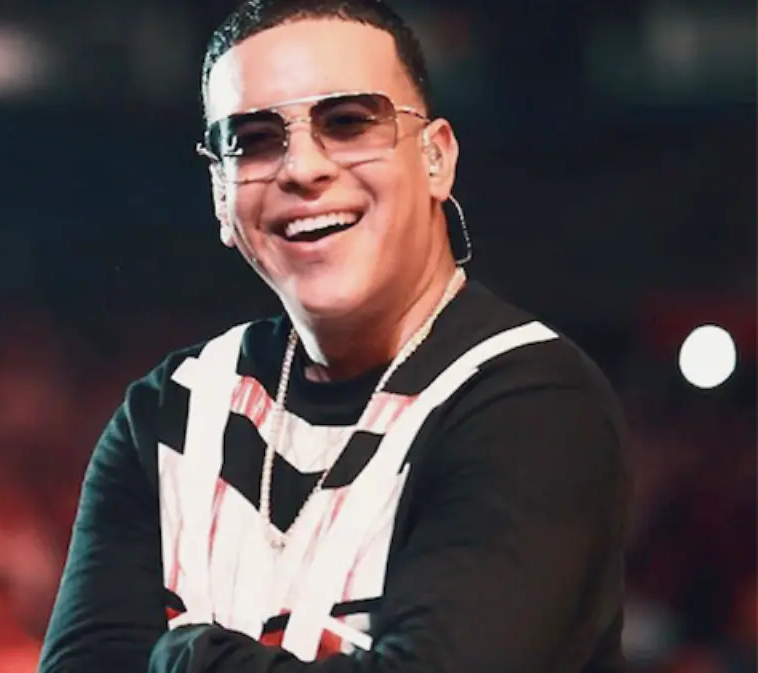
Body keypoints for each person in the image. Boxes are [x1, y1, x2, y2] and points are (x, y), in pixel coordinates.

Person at [39, 1, 631, 671]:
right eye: (253, 139)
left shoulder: (534, 403)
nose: (302, 168)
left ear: (435, 158)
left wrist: (186, 656)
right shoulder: (171, 411)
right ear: (220, 193)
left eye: (348, 123)